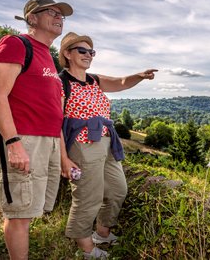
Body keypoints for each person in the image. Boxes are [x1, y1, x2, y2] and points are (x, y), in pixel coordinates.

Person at [0, 0, 73, 260]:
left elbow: (54, 114)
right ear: (32, 18)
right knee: (19, 215)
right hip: (23, 139)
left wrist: (62, 157)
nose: (59, 18)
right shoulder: (15, 44)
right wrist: (13, 144)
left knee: (32, 211)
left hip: (48, 142)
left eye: (62, 15)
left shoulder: (47, 57)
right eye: (52, 12)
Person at [58, 32, 157, 258]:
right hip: (82, 144)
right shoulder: (60, 82)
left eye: (91, 51)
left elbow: (121, 83)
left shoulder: (94, 80)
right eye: (82, 51)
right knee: (87, 196)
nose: (88, 55)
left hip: (106, 141)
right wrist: (64, 158)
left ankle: (102, 233)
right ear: (67, 54)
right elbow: (54, 122)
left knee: (117, 190)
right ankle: (86, 247)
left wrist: (139, 75)